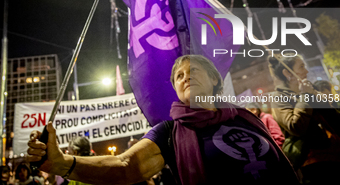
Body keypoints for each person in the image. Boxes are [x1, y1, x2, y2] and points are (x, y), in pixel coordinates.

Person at [27, 55, 298, 185]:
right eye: (179, 76)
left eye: (194, 71)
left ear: (215, 79)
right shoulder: (169, 133)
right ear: (176, 88)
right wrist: (61, 163)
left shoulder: (247, 118)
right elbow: (124, 165)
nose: (185, 77)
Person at [268, 54, 340, 184]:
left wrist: (321, 99)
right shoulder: (278, 98)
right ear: (287, 72)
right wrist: (305, 96)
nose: (306, 71)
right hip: (313, 163)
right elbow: (296, 127)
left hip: (334, 153)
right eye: (301, 67)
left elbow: (335, 121)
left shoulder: (311, 90)